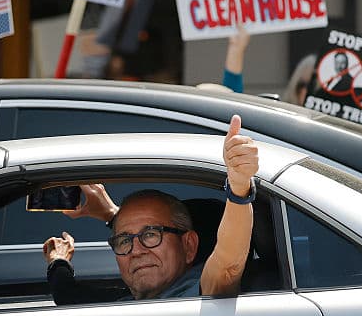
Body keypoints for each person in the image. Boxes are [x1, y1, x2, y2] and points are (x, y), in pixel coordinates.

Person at [42, 114, 258, 301]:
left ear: (189, 246)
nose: (136, 250)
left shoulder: (196, 295)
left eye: (152, 234)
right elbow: (71, 297)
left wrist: (239, 187)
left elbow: (228, 263)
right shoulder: (137, 301)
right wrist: (109, 215)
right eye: (125, 240)